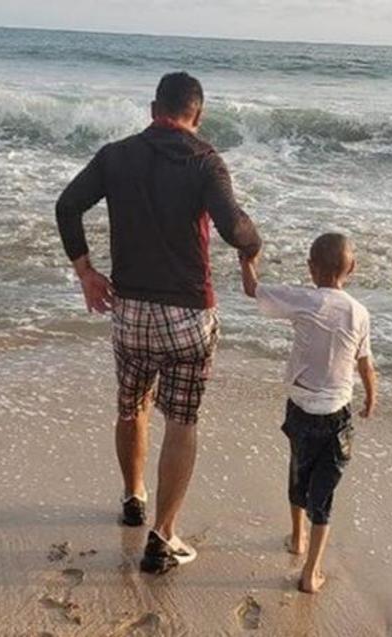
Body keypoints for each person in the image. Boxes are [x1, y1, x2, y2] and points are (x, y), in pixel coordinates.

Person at [55, 72, 262, 574]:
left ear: (153, 110)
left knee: (132, 407)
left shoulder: (116, 155)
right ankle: (163, 536)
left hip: (130, 312)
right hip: (188, 315)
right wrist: (253, 246)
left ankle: (133, 497)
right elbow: (234, 227)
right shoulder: (205, 160)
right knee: (182, 422)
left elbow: (67, 206)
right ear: (198, 115)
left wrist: (86, 273)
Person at [240, 233, 377, 593]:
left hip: (300, 409)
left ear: (311, 268)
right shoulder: (359, 313)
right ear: (352, 268)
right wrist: (371, 398)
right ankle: (310, 572)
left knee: (298, 472)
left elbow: (252, 289)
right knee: (324, 494)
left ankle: (297, 536)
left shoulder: (303, 300)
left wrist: (247, 258)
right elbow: (365, 364)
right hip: (336, 416)